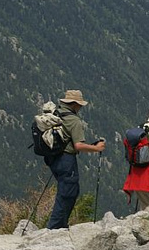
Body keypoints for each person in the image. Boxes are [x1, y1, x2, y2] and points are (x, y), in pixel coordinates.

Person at [45, 89, 106, 230]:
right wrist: (96, 149)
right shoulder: (74, 120)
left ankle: (60, 225)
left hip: (53, 158)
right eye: (79, 105)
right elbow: (78, 145)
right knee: (67, 193)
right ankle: (55, 228)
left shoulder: (57, 114)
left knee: (67, 190)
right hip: (66, 159)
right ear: (74, 104)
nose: (80, 107)